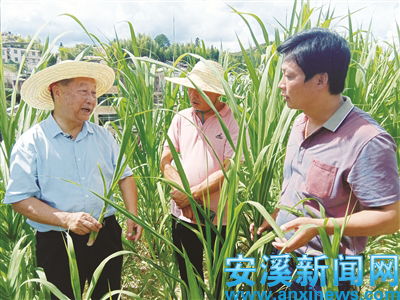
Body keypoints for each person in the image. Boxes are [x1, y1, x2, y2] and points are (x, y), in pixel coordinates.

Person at [251, 28, 400, 291]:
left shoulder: (366, 140)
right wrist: (276, 217)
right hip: (283, 257)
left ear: (321, 80)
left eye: (289, 76)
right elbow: (299, 185)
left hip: (326, 272)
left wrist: (322, 227)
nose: (280, 85)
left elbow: (391, 218)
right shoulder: (299, 123)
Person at [4, 61, 142, 299]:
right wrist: (66, 219)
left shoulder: (103, 137)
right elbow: (20, 199)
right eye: (83, 91)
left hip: (105, 233)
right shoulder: (32, 143)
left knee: (109, 295)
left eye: (94, 93)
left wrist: (133, 213)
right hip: (57, 240)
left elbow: (125, 175)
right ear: (57, 91)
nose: (91, 99)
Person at [160, 59, 239, 297]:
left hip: (219, 217)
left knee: (221, 280)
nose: (192, 94)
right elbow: (165, 160)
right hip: (182, 215)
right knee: (188, 277)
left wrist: (192, 196)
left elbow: (229, 168)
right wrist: (183, 196)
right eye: (190, 87)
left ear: (217, 93)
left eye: (200, 89)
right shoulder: (181, 117)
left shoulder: (232, 121)